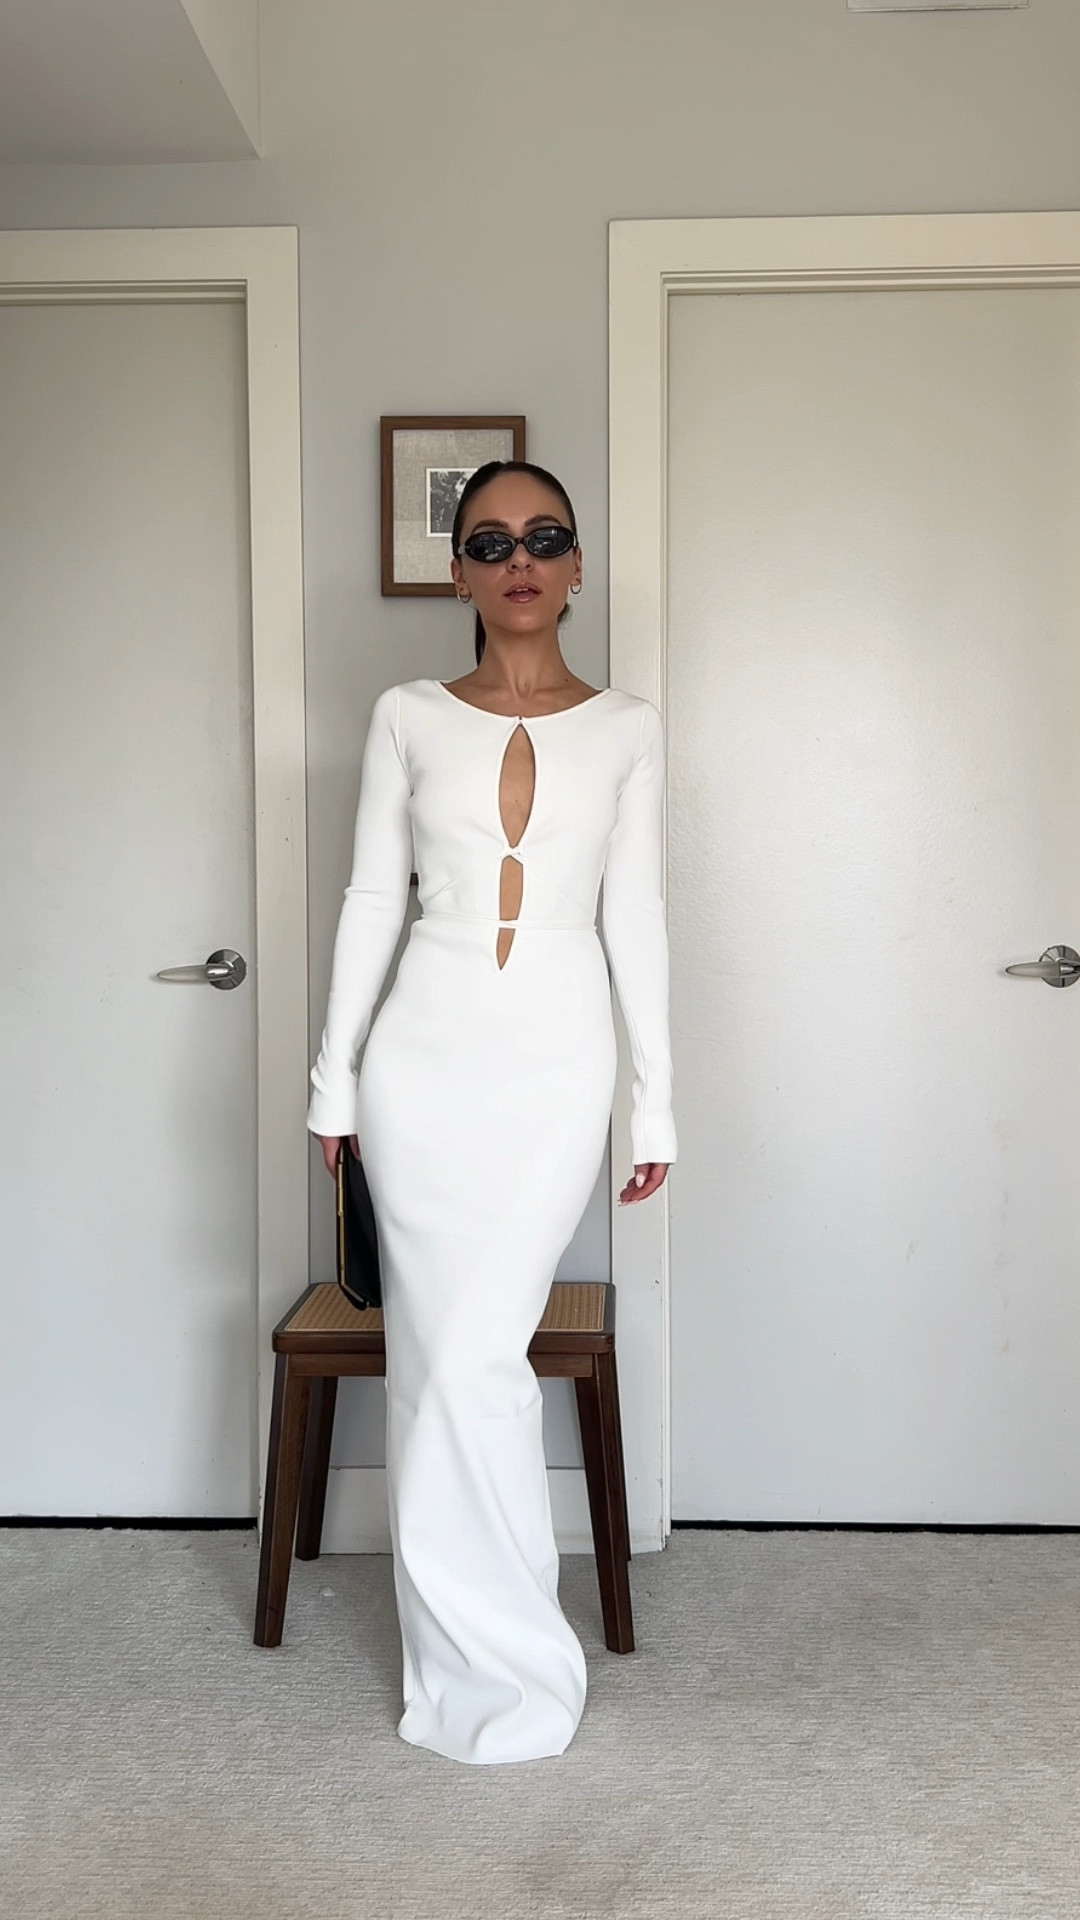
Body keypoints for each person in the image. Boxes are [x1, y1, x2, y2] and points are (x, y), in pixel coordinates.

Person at [307, 459, 677, 1765]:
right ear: (459, 574)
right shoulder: (406, 715)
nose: (520, 559)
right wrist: (333, 1080)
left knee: (477, 1358)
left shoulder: (629, 727)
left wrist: (654, 1107)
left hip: (556, 1072)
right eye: (490, 541)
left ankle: (511, 1660)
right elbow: (371, 900)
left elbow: (636, 919)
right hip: (420, 1068)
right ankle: (474, 1664)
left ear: (576, 568)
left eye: (545, 536)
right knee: (443, 1360)